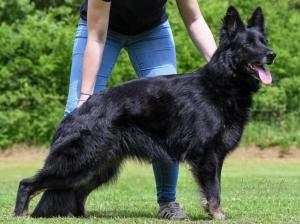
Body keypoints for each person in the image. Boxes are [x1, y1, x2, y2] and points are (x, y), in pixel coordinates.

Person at [64, 0, 217, 220]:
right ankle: (62, 197)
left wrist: (219, 64)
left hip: (151, 32)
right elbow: (96, 38)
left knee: (168, 116)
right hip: (100, 32)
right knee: (75, 112)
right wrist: (85, 97)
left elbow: (194, 19)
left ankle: (168, 202)